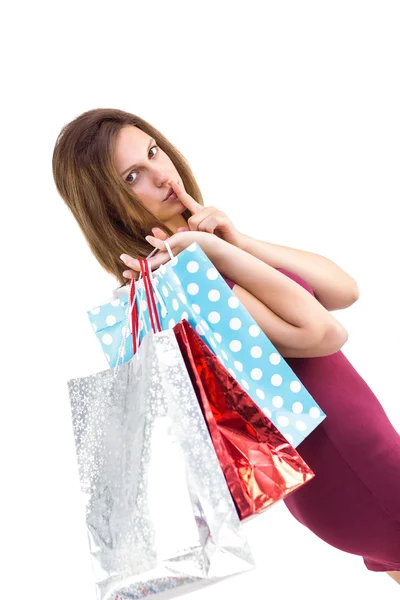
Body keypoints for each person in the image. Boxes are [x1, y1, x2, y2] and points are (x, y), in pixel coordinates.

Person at [52, 108, 400, 585]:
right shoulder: (182, 274)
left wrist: (234, 239)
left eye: (153, 152)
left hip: (361, 457)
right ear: (108, 205)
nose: (160, 175)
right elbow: (324, 335)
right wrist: (212, 252)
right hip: (349, 463)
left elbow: (344, 290)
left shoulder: (199, 248)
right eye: (134, 176)